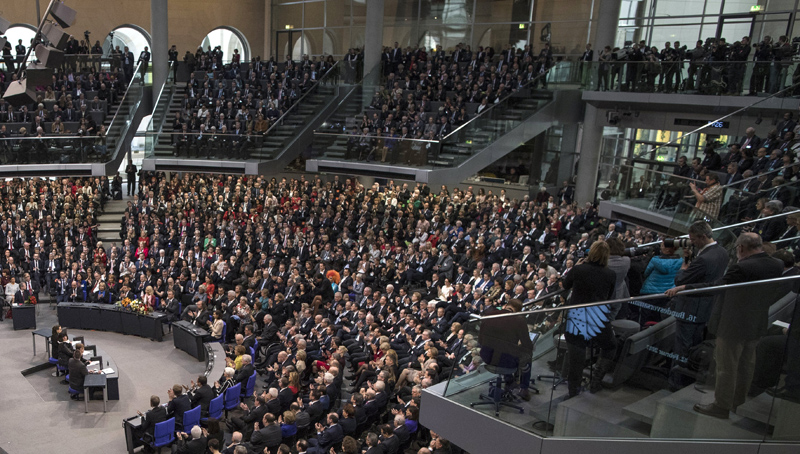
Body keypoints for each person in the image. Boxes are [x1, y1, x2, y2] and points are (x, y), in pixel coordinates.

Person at [671, 233, 785, 418]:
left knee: (726, 366)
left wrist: (685, 288)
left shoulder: (742, 268)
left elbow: (714, 288)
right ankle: (737, 402)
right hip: (756, 323)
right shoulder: (776, 264)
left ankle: (721, 406)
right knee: (746, 365)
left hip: (733, 324)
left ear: (740, 248)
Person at [665, 221, 729, 388]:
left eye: (693, 239)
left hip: (690, 308)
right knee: (694, 345)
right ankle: (687, 380)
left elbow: (680, 279)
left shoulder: (704, 259)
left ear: (703, 237)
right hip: (706, 308)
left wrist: (684, 265)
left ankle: (676, 382)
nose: (691, 242)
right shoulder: (722, 252)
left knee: (682, 347)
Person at [561, 241, 617, 398]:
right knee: (610, 346)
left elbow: (565, 285)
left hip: (577, 317)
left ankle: (573, 392)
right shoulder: (611, 274)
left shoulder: (579, 269)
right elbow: (609, 296)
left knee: (576, 359)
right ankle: (596, 380)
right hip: (597, 317)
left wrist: (576, 267)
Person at [479, 298, 534, 400]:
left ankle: (510, 381)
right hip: (506, 362)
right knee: (527, 355)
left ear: (506, 306)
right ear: (518, 311)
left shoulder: (489, 315)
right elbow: (527, 345)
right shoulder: (519, 320)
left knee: (504, 351)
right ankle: (524, 388)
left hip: (487, 356)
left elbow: (480, 340)